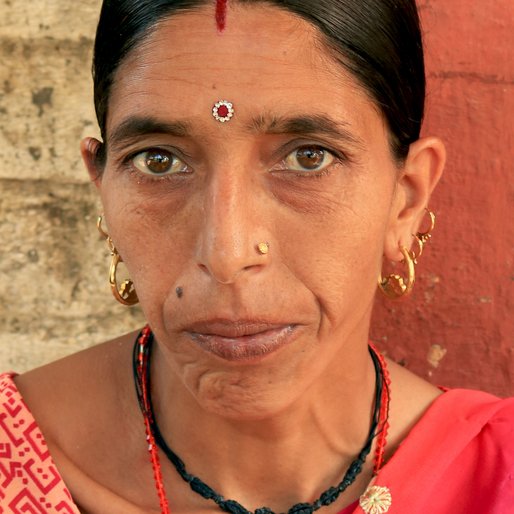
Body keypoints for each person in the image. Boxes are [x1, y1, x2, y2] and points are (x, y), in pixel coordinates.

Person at [0, 0, 512, 512]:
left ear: (407, 198)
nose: (227, 254)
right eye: (158, 161)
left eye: (308, 157)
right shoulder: (13, 459)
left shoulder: (497, 476)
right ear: (102, 188)